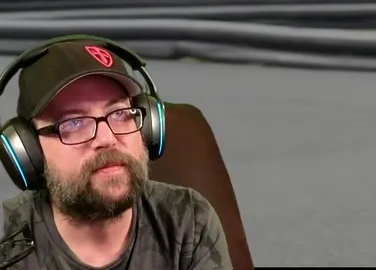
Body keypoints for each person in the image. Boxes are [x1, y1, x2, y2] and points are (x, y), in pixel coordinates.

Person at [0, 39, 231, 269]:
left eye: (120, 113)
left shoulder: (188, 222)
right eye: (74, 122)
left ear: (148, 127)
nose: (107, 139)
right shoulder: (5, 241)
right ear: (28, 150)